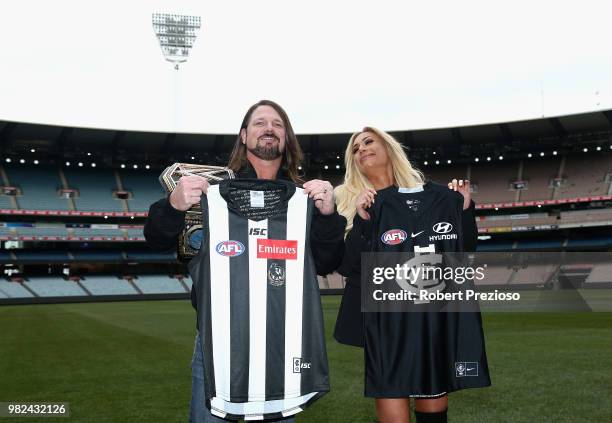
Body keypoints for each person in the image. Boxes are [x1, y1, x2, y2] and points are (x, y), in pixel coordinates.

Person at [144, 100, 346, 422]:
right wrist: (172, 205)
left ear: (286, 138)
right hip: (217, 341)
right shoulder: (210, 192)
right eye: (260, 123)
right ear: (243, 135)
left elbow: (325, 263)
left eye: (277, 124)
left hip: (282, 341)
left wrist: (327, 217)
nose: (269, 129)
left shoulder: (304, 198)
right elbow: (156, 239)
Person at [334, 127, 490, 423]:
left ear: (388, 147)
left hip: (430, 306)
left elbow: (463, 246)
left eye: (368, 142)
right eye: (355, 148)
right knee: (392, 382)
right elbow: (346, 264)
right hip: (383, 311)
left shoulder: (430, 193)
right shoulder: (346, 196)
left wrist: (464, 207)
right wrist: (362, 220)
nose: (361, 149)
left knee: (431, 387)